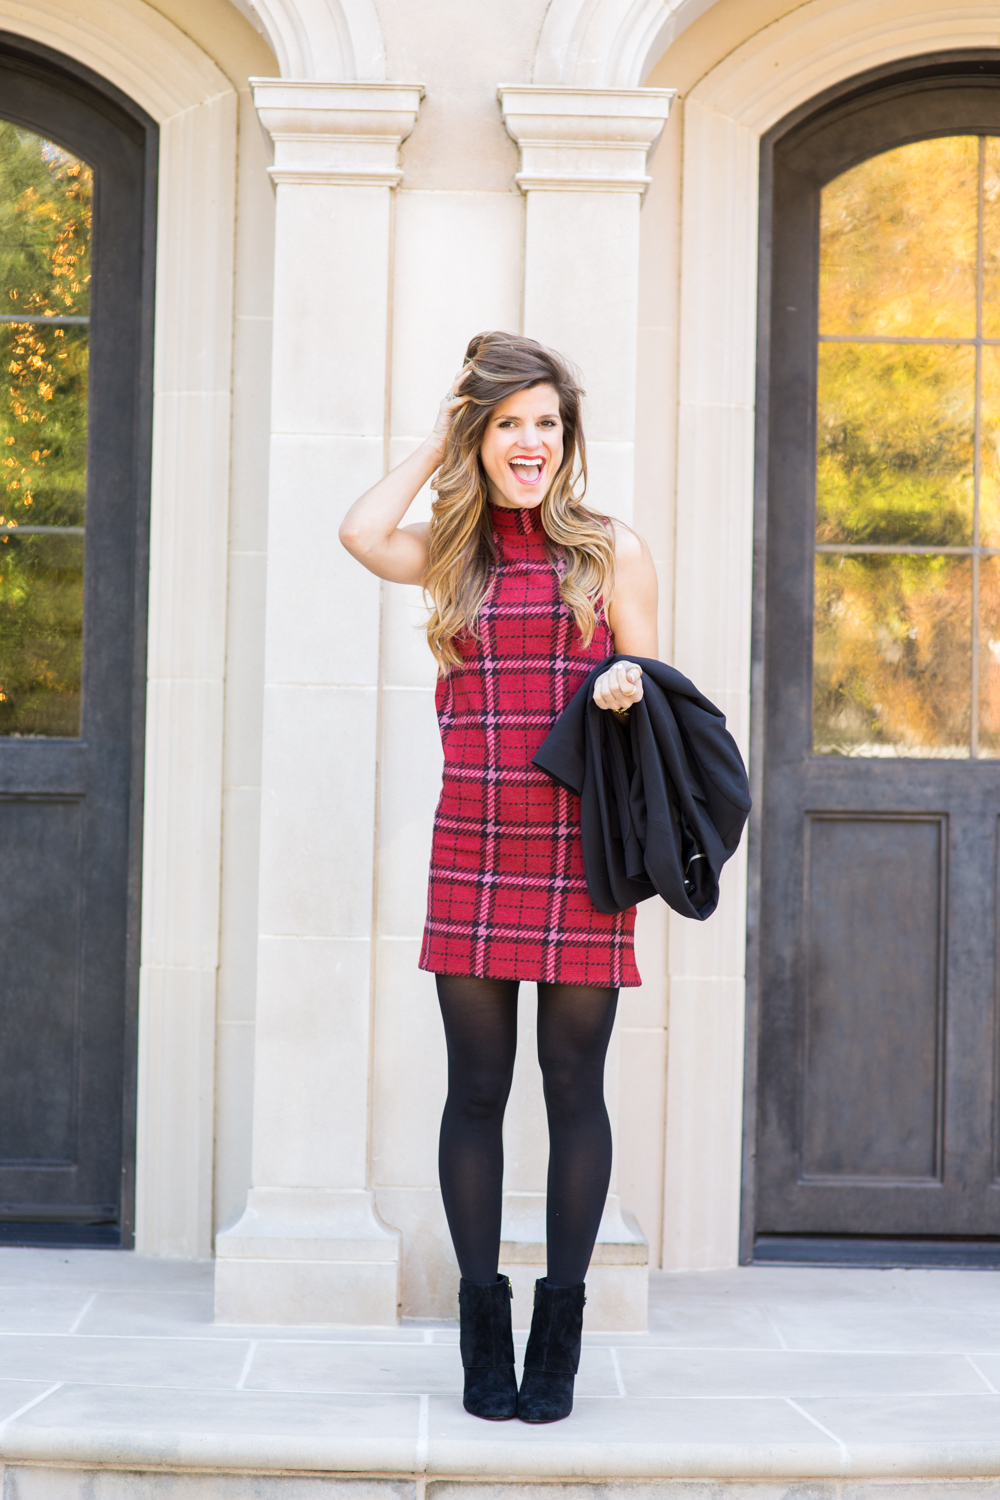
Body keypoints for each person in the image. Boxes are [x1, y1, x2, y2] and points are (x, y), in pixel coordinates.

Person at [339, 331, 658, 1424]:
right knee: (476, 1088)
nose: (531, 443)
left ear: (569, 442)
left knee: (574, 1088)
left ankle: (558, 1335)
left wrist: (625, 684)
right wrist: (438, 440)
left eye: (547, 424)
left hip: (582, 854)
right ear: (481, 437)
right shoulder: (450, 555)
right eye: (509, 423)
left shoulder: (609, 550)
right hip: (473, 843)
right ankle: (482, 1325)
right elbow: (357, 531)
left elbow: (655, 685)